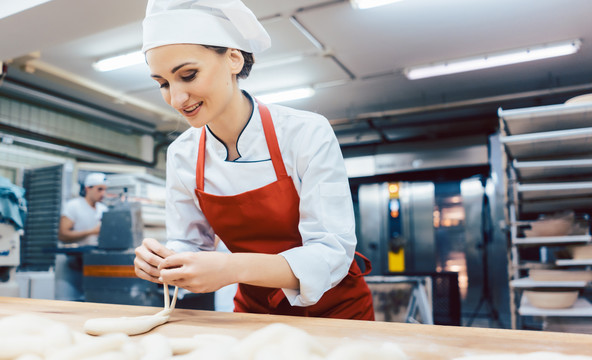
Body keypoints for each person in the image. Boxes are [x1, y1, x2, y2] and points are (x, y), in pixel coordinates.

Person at [134, 0, 374, 320]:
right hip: (254, 310)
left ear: (233, 58)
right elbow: (190, 244)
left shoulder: (305, 133)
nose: (176, 98)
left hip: (337, 310)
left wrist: (232, 267)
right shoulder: (183, 153)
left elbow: (332, 252)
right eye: (163, 83)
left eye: (188, 75)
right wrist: (165, 258)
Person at [55, 172, 108, 301]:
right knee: (70, 299)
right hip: (72, 262)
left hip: (93, 262)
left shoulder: (103, 209)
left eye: (105, 190)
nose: (103, 194)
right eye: (99, 189)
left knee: (92, 299)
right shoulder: (74, 206)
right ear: (87, 188)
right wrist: (91, 231)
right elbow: (63, 234)